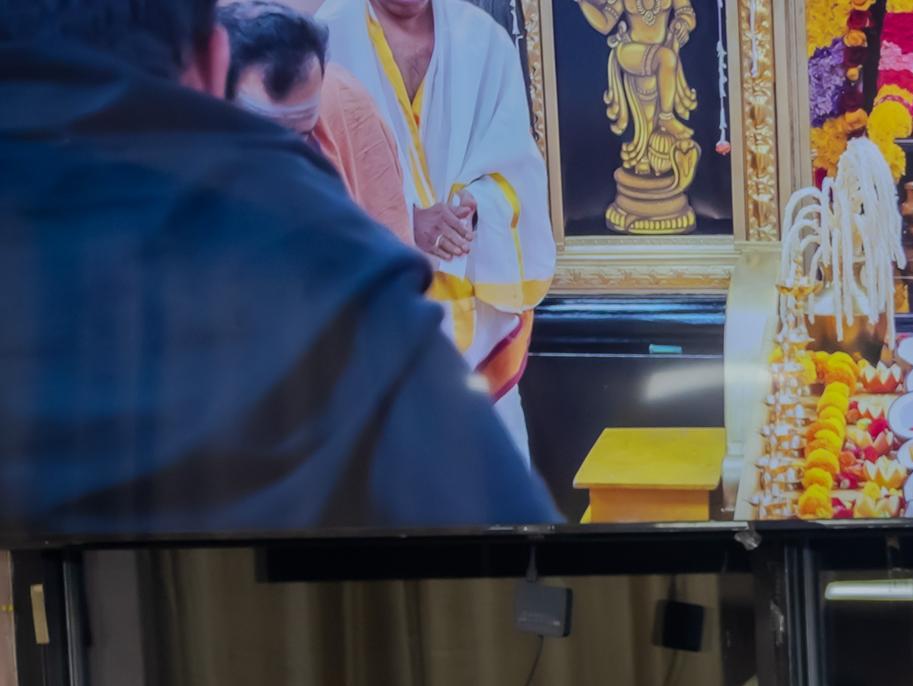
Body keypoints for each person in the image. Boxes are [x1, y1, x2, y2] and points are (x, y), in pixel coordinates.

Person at [0, 0, 552, 533]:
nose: (307, 152)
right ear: (212, 67)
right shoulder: (326, 266)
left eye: (310, 134)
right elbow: (505, 543)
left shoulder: (470, 45)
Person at [309, 0, 547, 447]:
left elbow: (519, 167)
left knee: (495, 485)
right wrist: (403, 220)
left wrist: (473, 207)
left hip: (474, 305)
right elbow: (312, 181)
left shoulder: (486, 41)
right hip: (378, 322)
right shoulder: (327, 39)